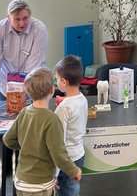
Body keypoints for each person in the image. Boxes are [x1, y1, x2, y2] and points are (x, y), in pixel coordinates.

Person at [0, 0, 48, 181]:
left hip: (32, 82)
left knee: (29, 125)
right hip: (4, 82)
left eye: (25, 18)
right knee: (6, 125)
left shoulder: (39, 29)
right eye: (17, 19)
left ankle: (26, 165)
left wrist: (21, 93)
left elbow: (33, 65)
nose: (22, 23)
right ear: (8, 18)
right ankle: (5, 164)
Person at [2, 67, 82, 195]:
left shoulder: (23, 112)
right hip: (40, 184)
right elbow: (59, 154)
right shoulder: (51, 120)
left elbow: (7, 139)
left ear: (28, 92)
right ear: (52, 90)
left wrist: (26, 145)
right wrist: (74, 171)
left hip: (21, 180)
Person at [53, 55, 88, 196]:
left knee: (66, 191)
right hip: (79, 154)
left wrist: (54, 174)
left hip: (65, 161)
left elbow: (58, 142)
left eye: (56, 79)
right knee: (73, 188)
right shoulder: (82, 99)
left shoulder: (63, 108)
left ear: (64, 82)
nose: (56, 82)